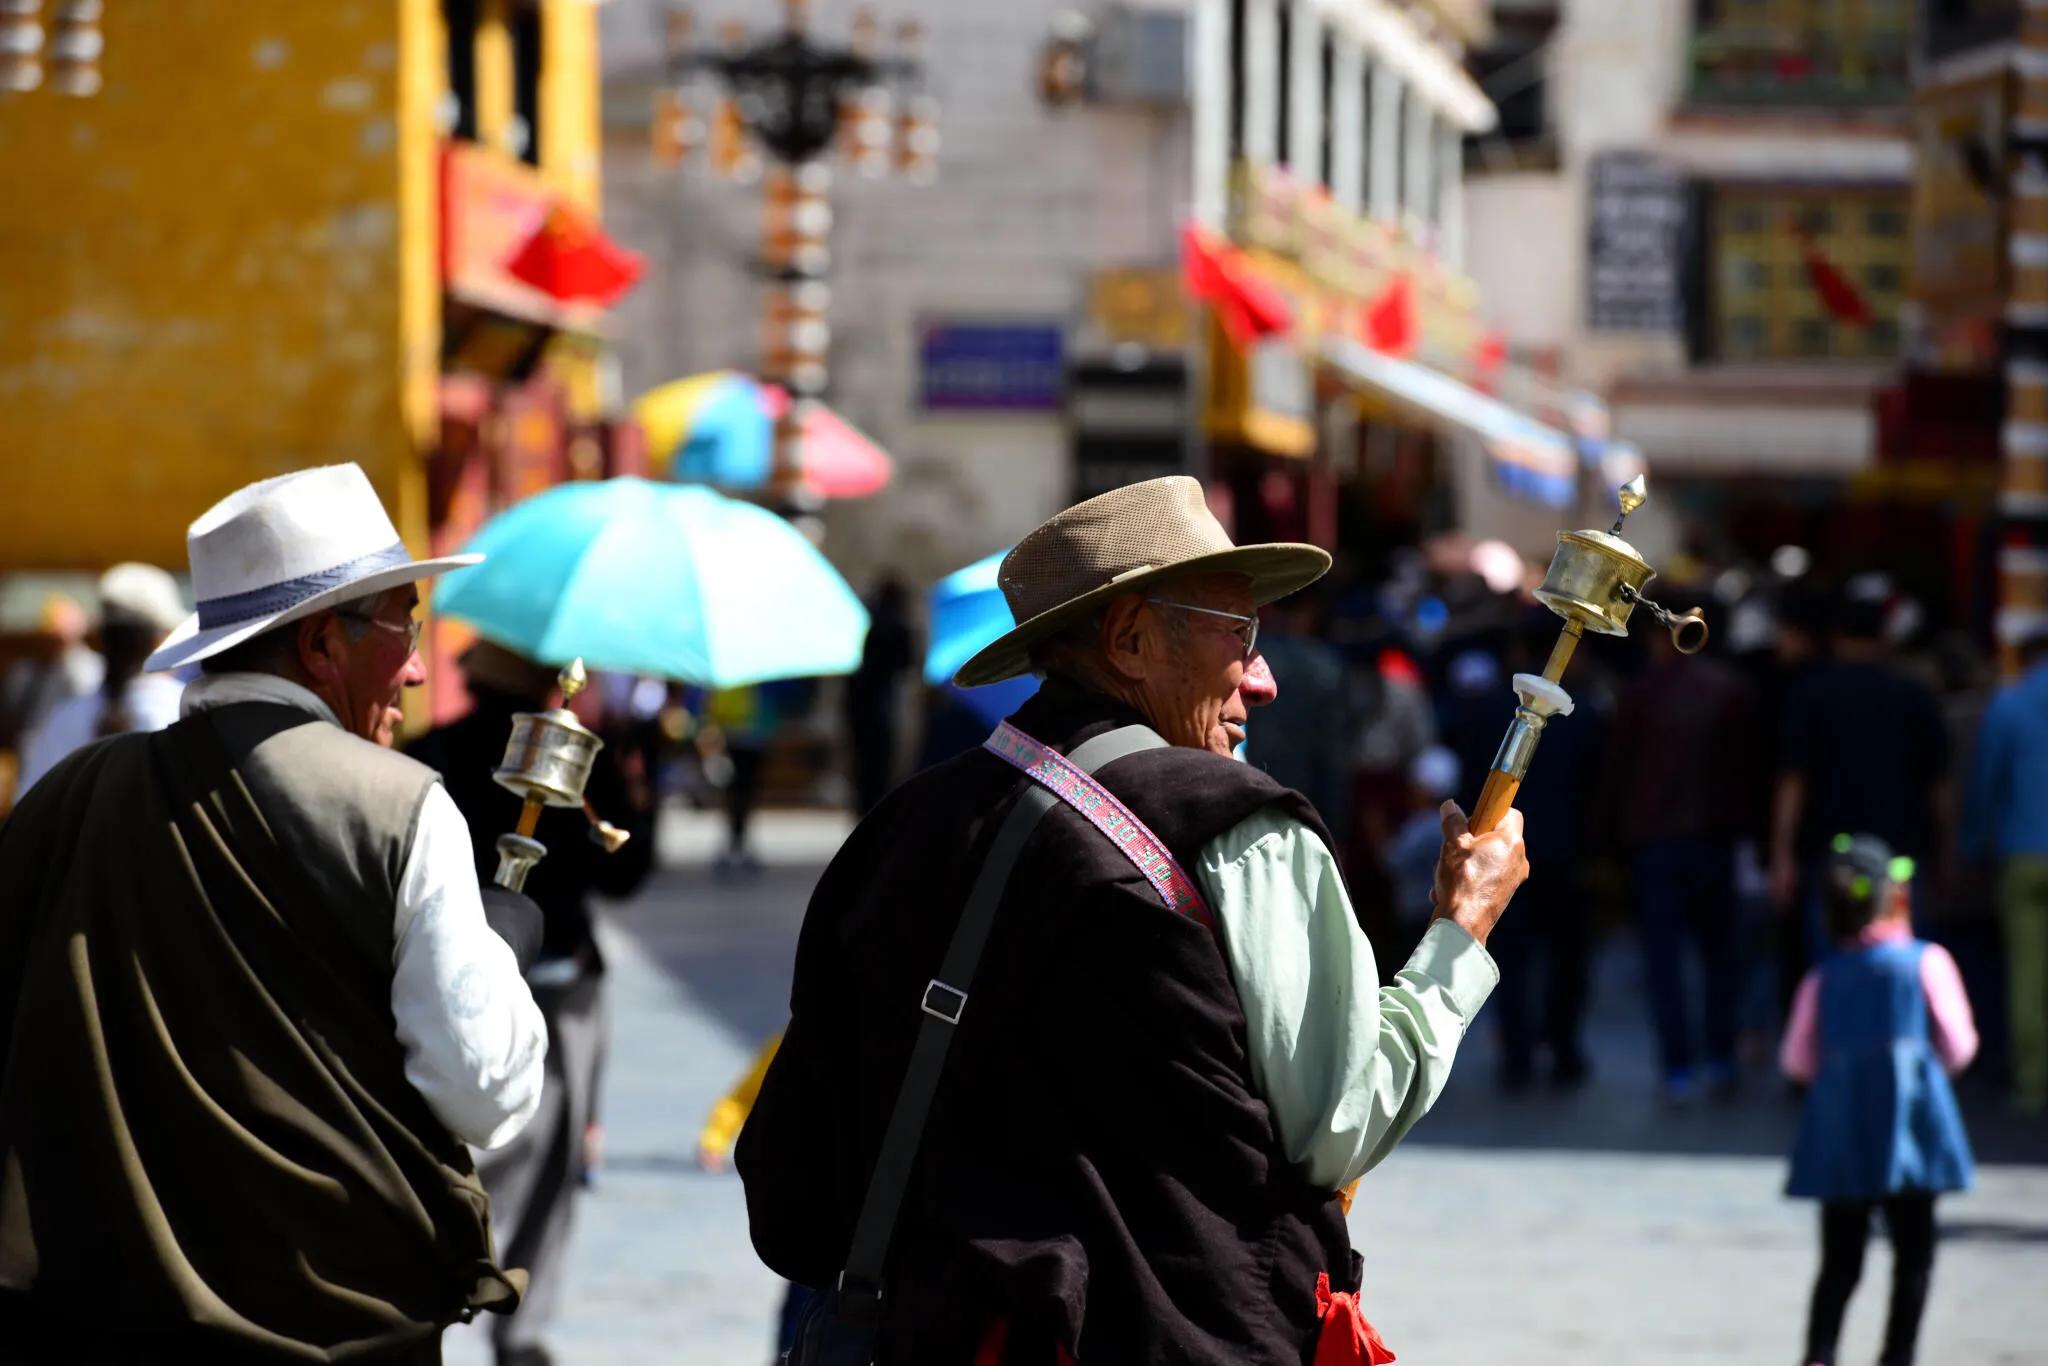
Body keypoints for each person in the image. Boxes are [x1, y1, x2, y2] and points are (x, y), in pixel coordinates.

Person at [736, 477, 1524, 1364]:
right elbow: (1338, 1128)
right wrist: (1460, 932)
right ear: (1133, 638)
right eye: (1241, 634)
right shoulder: (1236, 829)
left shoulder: (900, 828)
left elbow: (796, 1160)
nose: (1262, 679)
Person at [0, 464, 548, 1364]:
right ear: (323, 645)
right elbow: (481, 1090)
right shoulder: (401, 807)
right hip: (337, 1326)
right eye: (406, 624)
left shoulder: (66, 797)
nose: (416, 668)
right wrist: (500, 953)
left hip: (89, 1310)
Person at [407, 640, 657, 1366]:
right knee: (536, 1165)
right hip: (551, 981)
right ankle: (512, 1323)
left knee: (485, 1158)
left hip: (465, 982)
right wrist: (636, 785)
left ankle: (459, 1308)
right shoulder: (581, 761)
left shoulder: (430, 754)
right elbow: (624, 873)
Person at [1782, 835, 1977, 1366]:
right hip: (1913, 1134)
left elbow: (1798, 1061)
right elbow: (1959, 1045)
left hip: (1843, 1137)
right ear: (1896, 897)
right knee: (1914, 1257)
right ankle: (1898, 1354)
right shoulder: (1927, 963)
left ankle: (1820, 1355)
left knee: (1839, 1262)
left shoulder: (1822, 979)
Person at [1609, 595, 1760, 1103]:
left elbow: (1620, 773)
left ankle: (1678, 1066)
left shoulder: (1641, 693)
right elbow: (1749, 772)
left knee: (1665, 962)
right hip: (1716, 840)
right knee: (1720, 957)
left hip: (1656, 842)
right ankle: (1720, 1058)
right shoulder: (1734, 692)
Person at [1771, 594, 1950, 974]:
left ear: (1836, 639)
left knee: (1832, 964)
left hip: (1831, 853)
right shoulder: (1912, 695)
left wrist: (1782, 855)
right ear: (1885, 638)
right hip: (1900, 853)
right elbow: (1939, 785)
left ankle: (1839, 1030)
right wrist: (1947, 850)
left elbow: (1793, 781)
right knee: (1905, 961)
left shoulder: (1810, 694)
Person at [1960, 628, 2048, 1114]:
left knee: (2027, 974)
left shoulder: (2010, 706)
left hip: (2024, 852)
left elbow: (1985, 783)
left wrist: (1972, 845)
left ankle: (2033, 1082)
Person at [16, 562, 188, 793]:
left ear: (102, 638)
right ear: (163, 637)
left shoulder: (64, 718)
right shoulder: (185, 711)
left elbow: (27, 805)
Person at [845, 575, 918, 815]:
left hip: (858, 703)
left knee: (863, 763)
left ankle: (863, 810)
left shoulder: (863, 620)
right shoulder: (897, 625)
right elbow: (907, 662)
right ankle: (874, 810)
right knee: (880, 765)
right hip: (883, 704)